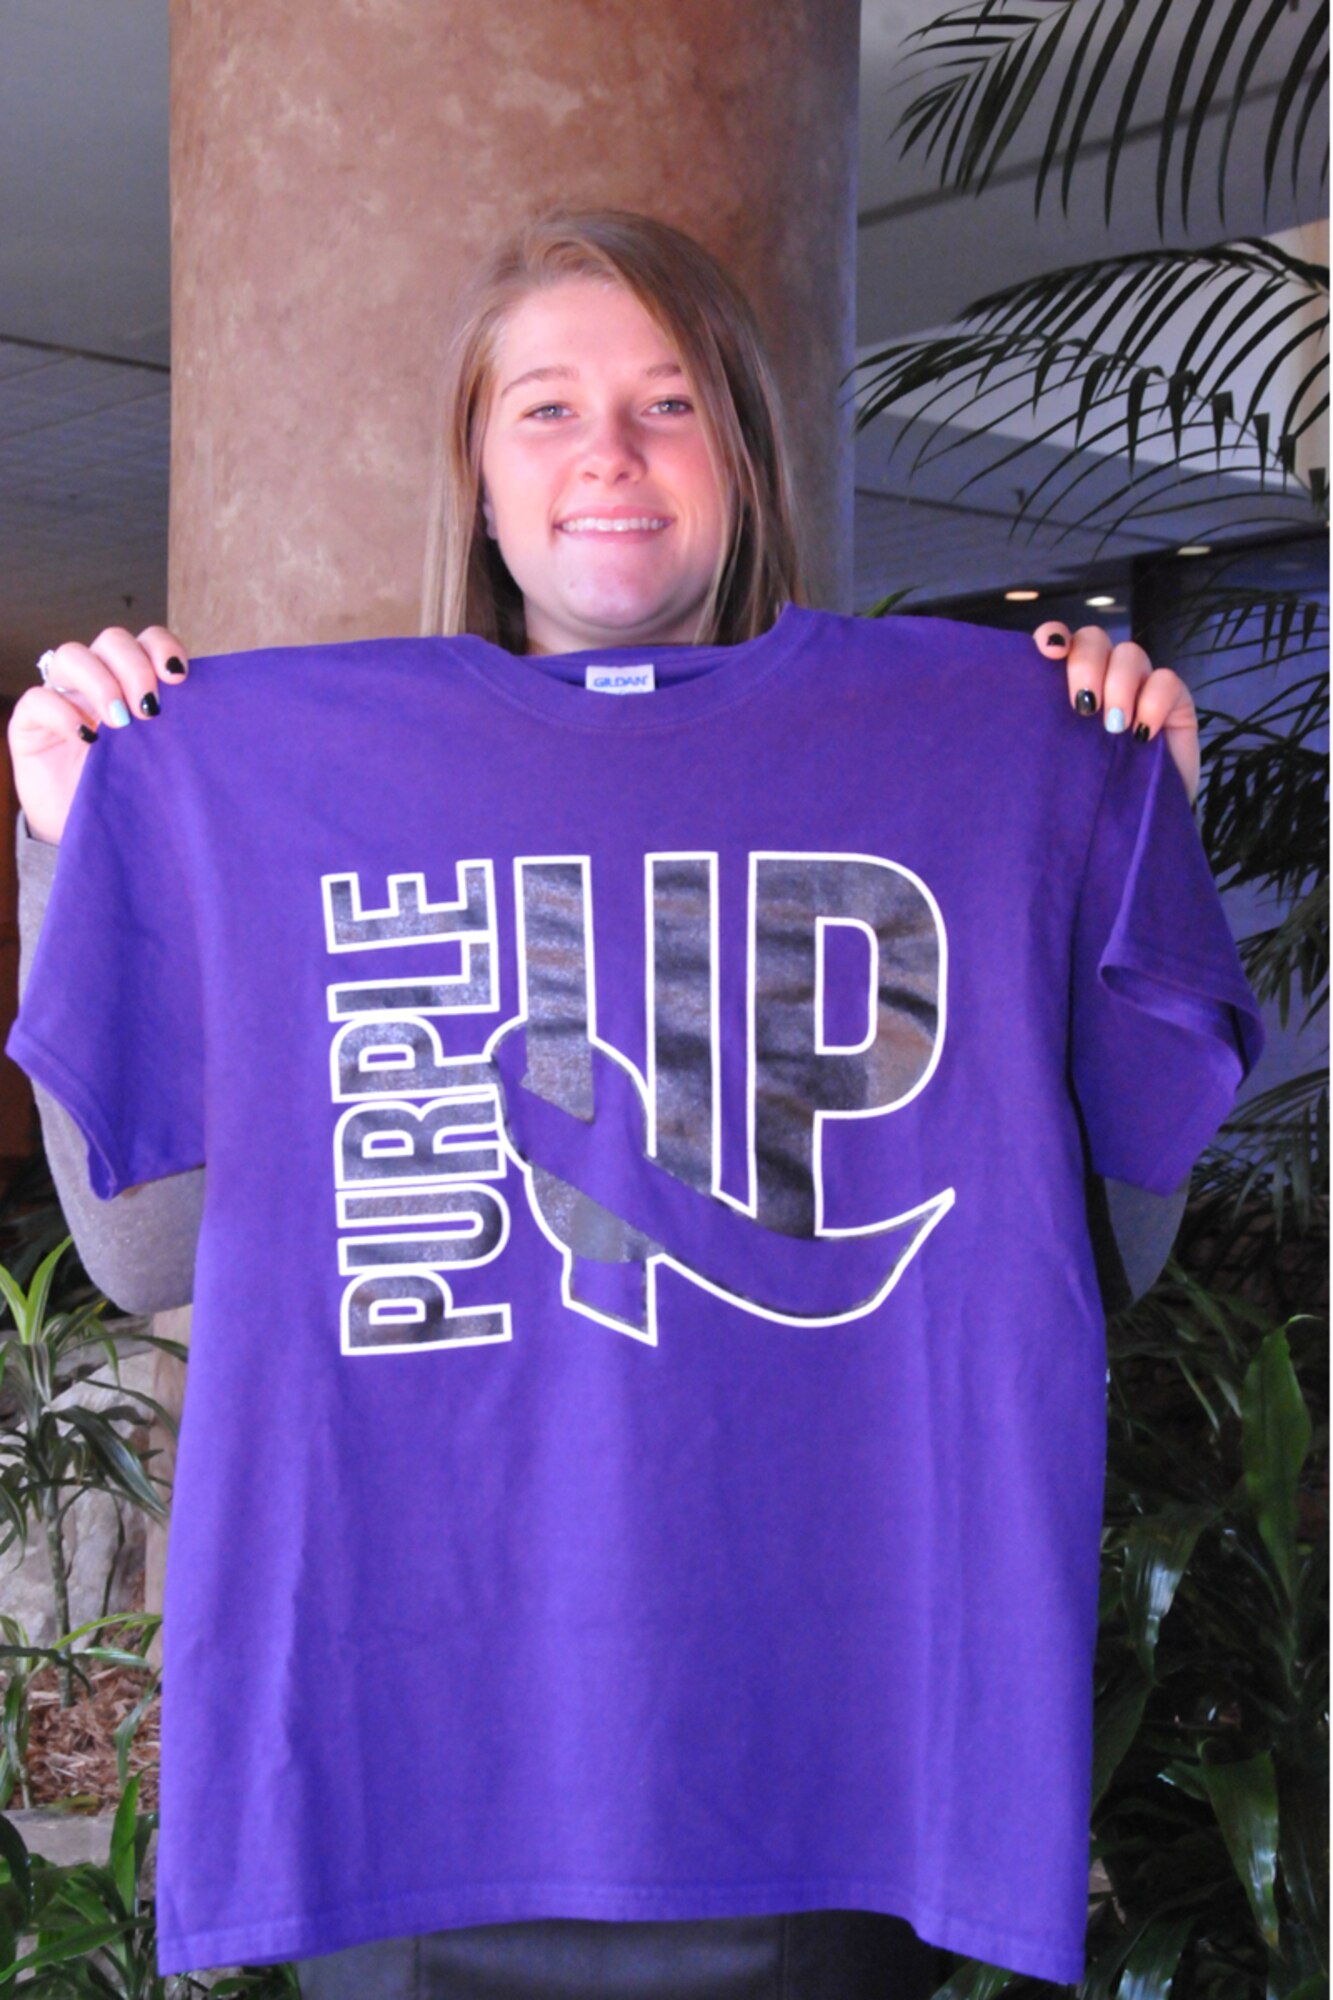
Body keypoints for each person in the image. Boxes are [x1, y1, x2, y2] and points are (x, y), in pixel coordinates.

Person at [8, 210, 1256, 2000]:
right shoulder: (290, 784)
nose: (609, 454)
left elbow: (1101, 1246)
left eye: (669, 404)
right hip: (418, 1777)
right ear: (478, 468)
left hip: (823, 1771)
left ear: (741, 452)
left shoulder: (981, 760)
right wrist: (82, 837)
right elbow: (146, 1252)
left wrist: (1128, 820)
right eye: (546, 408)